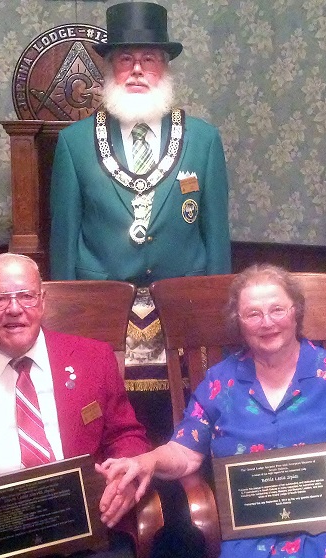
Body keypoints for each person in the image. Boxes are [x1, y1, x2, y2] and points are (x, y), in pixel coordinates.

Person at [96, 264, 326, 557]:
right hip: (251, 540)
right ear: (239, 321)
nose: (267, 322)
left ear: (295, 312)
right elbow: (184, 452)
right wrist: (146, 461)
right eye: (253, 314)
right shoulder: (219, 381)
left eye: (277, 310)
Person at [0, 253, 150, 558]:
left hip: (83, 531)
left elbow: (126, 435)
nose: (14, 309)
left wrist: (126, 476)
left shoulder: (94, 358)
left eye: (26, 296)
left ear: (43, 301)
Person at [49, 1, 231, 372]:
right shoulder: (74, 143)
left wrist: (216, 308)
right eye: (124, 59)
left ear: (164, 68)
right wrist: (66, 317)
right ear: (109, 68)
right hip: (101, 306)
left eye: (148, 58)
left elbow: (216, 236)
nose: (136, 70)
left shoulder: (204, 139)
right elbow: (64, 241)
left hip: (184, 304)